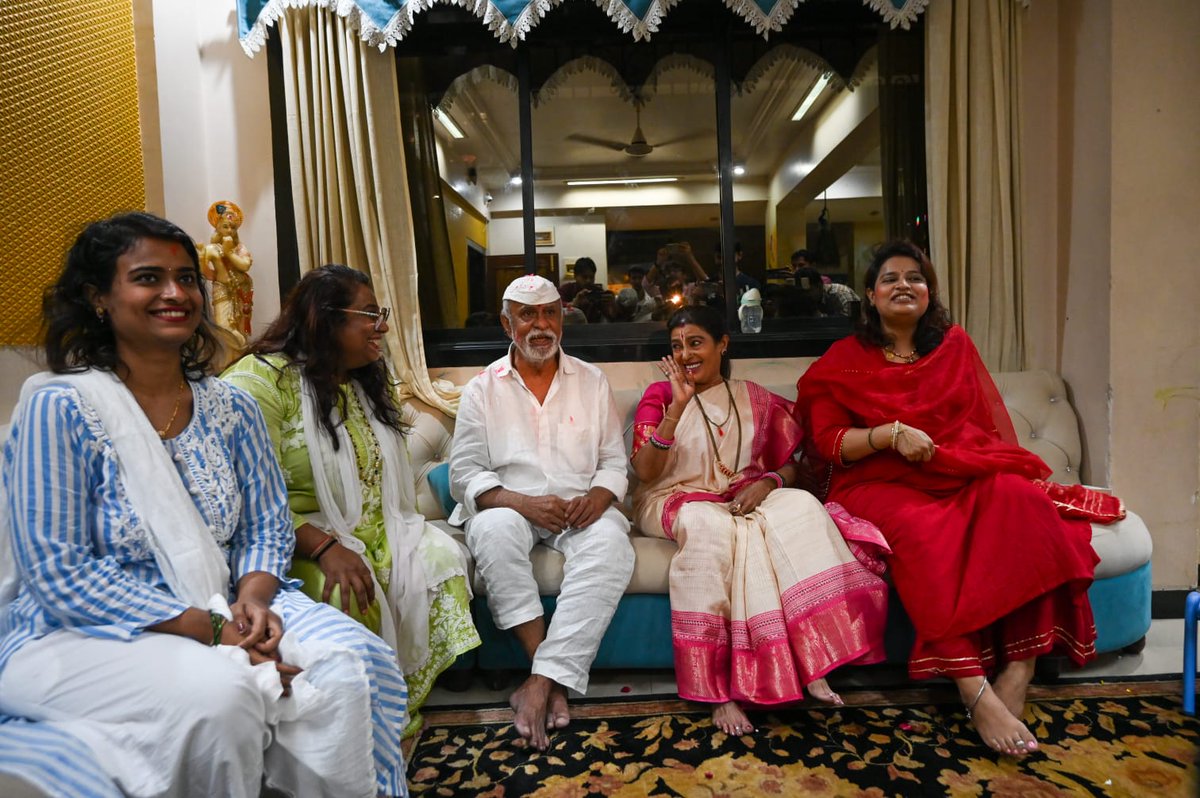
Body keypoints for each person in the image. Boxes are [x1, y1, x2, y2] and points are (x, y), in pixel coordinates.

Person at [0, 212, 408, 797]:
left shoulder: (228, 407)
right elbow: (59, 573)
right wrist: (212, 629)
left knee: (357, 662)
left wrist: (253, 600)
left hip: (229, 601)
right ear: (98, 298)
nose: (175, 293)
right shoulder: (61, 410)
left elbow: (266, 525)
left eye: (187, 279)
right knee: (223, 698)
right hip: (97, 628)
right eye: (148, 278)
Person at [794, 240, 1102, 758]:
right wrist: (889, 434)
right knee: (924, 536)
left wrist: (958, 460)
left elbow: (981, 429)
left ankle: (1019, 668)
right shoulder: (845, 361)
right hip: (880, 483)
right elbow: (829, 443)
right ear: (869, 295)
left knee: (1023, 502)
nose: (902, 285)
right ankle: (972, 687)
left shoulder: (954, 346)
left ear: (929, 292)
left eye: (914, 277)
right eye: (889, 278)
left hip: (958, 469)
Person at [223, 264, 480, 737]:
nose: (381, 325)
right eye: (369, 313)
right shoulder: (258, 383)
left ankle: (397, 698)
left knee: (441, 556)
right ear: (326, 318)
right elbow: (247, 495)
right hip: (295, 541)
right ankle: (358, 721)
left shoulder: (358, 380)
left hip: (378, 529)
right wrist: (324, 546)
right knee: (346, 590)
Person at [630, 305, 889, 736]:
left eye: (695, 343)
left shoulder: (754, 398)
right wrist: (677, 408)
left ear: (723, 344)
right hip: (671, 498)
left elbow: (794, 465)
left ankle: (813, 656)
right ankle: (717, 691)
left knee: (800, 507)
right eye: (676, 347)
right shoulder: (660, 395)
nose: (685, 355)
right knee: (711, 528)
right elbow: (644, 472)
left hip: (743, 497)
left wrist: (767, 483)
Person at [448, 275, 635, 751]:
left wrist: (599, 495)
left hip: (579, 509)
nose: (540, 325)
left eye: (550, 313)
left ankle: (539, 684)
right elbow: (464, 473)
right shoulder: (481, 388)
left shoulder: (591, 380)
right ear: (507, 323)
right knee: (492, 532)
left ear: (562, 319)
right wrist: (521, 501)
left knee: (612, 544)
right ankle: (546, 673)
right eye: (527, 315)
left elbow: (614, 461)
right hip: (512, 505)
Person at [197, 199, 254, 346]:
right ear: (217, 228)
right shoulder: (212, 248)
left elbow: (245, 265)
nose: (229, 230)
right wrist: (202, 258)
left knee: (241, 329)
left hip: (242, 291)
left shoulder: (239, 248)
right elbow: (203, 271)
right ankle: (230, 359)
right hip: (222, 291)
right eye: (225, 226)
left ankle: (240, 359)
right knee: (224, 329)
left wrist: (229, 253)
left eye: (233, 228)